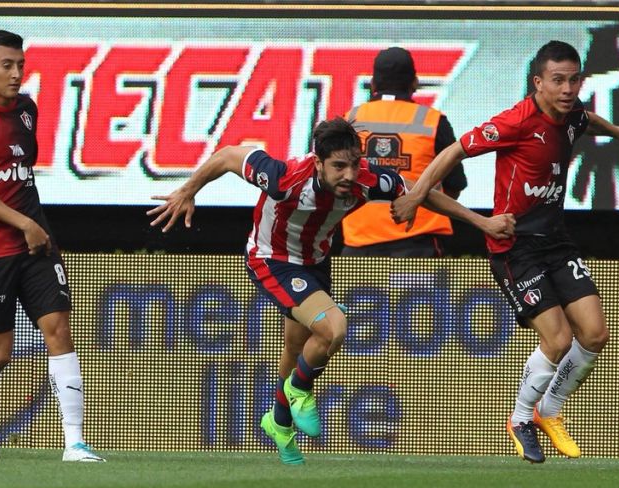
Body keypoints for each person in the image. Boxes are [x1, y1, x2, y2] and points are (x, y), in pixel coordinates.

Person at [147, 117, 515, 465]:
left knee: (296, 347)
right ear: (318, 162)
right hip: (272, 259)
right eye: (339, 166)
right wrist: (187, 189)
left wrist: (478, 220)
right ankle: (300, 391)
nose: (349, 175)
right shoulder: (285, 178)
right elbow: (228, 155)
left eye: (354, 164)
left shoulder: (366, 181)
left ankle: (279, 423)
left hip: (316, 264)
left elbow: (420, 191)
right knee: (334, 327)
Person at [392, 41, 619, 463]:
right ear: (538, 83)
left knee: (595, 333)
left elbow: (587, 119)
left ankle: (550, 409)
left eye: (574, 79)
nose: (568, 89)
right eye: (558, 81)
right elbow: (455, 150)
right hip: (514, 246)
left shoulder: (571, 114)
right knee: (559, 338)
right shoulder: (514, 122)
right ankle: (521, 417)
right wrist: (418, 195)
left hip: (556, 241)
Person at [0, 30, 104, 462]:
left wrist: (32, 226)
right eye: (7, 65)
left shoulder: (26, 109)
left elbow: (20, 173)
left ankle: (74, 443)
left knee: (58, 328)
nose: (17, 73)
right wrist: (23, 223)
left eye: (21, 64)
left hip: (35, 243)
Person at [341, 46, 468, 257]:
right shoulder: (434, 121)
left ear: (373, 83)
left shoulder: (348, 119)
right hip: (418, 243)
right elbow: (454, 186)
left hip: (359, 245)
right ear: (415, 83)